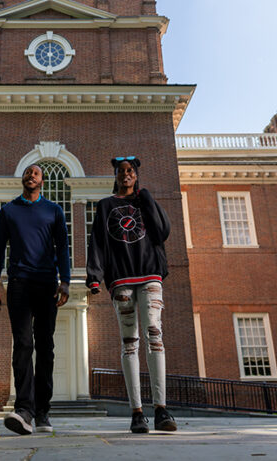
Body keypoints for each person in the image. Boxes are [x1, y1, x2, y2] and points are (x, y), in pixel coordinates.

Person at [86, 156, 177, 433]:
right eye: (121, 171)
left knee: (154, 333)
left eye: (130, 171)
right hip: (122, 279)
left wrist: (145, 197)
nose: (126, 175)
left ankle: (161, 409)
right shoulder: (105, 206)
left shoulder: (144, 201)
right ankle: (137, 412)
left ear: (136, 176)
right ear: (115, 175)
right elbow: (98, 241)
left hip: (150, 274)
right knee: (129, 342)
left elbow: (162, 232)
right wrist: (94, 277)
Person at [0, 163, 71, 435]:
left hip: (47, 283)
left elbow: (63, 248)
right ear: (22, 179)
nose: (30, 175)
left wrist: (65, 281)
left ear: (42, 181)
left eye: (35, 173)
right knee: (23, 345)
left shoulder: (54, 211)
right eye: (26, 172)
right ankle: (24, 409)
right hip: (19, 283)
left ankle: (43, 411)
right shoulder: (9, 211)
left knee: (45, 347)